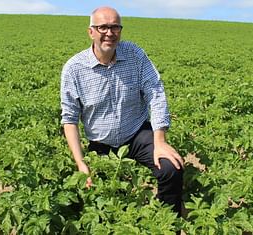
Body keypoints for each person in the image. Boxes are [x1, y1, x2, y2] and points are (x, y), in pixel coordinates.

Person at [60, 6, 184, 214]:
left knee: (171, 168)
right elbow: (70, 119)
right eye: (102, 27)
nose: (109, 33)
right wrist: (81, 164)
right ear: (91, 32)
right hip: (101, 144)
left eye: (115, 27)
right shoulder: (74, 69)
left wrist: (160, 141)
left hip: (136, 134)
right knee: (99, 197)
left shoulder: (135, 55)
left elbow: (155, 92)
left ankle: (168, 223)